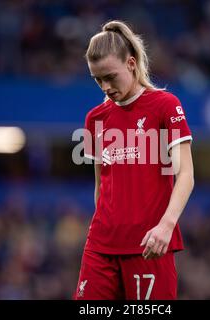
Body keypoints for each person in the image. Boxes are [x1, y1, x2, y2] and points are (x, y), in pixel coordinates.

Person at [74, 20, 194, 300]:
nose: (105, 86)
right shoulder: (95, 118)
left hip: (149, 244)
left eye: (110, 76)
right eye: (97, 79)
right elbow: (100, 187)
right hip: (101, 246)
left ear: (131, 63)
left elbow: (186, 175)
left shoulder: (166, 105)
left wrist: (166, 226)